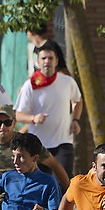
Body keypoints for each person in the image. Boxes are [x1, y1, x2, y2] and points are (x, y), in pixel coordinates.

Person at [14, 40, 82, 179]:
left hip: (63, 142)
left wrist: (75, 119)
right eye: (43, 58)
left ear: (56, 61)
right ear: (38, 62)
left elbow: (78, 100)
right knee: (40, 185)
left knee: (63, 184)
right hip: (38, 146)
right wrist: (33, 119)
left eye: (50, 58)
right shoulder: (30, 85)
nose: (47, 61)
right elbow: (17, 115)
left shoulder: (67, 81)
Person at [0, 104, 69, 189]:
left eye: (7, 122)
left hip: (25, 202)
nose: (2, 127)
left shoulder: (27, 142)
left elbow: (55, 165)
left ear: (14, 123)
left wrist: (67, 195)